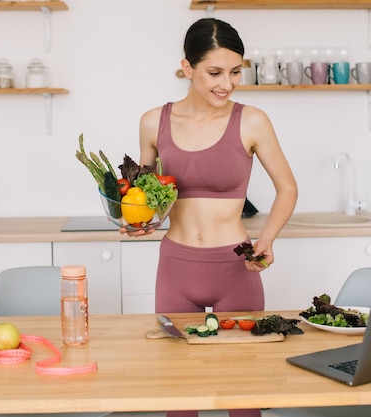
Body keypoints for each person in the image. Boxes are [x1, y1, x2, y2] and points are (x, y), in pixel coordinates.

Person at [124, 17, 298, 417]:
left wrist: (267, 239)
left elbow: (287, 188)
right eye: (214, 72)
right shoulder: (155, 121)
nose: (227, 83)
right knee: (179, 397)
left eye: (236, 72)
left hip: (236, 268)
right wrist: (139, 220)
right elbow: (145, 193)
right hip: (176, 268)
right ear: (187, 68)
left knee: (242, 399)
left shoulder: (251, 120)